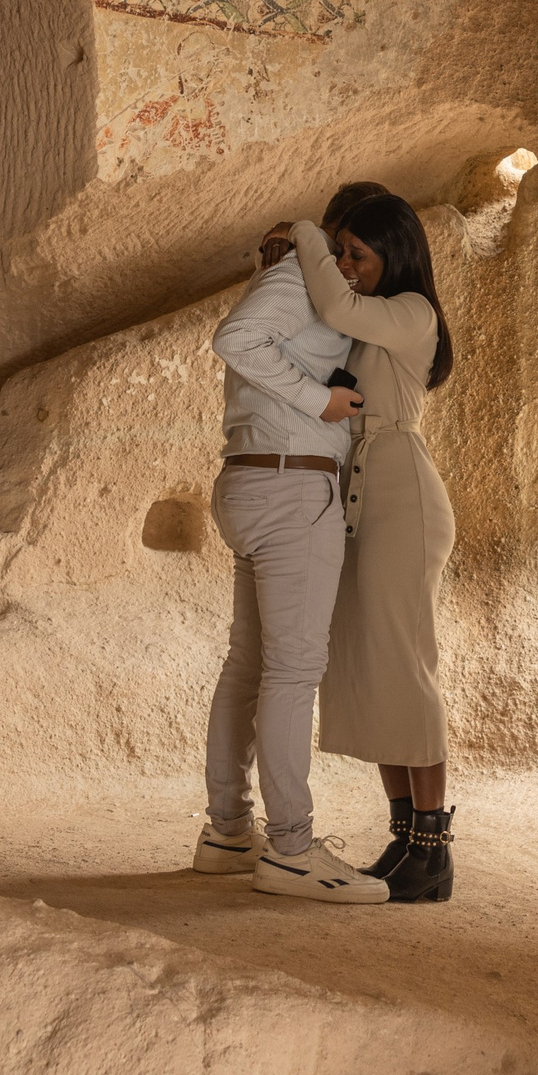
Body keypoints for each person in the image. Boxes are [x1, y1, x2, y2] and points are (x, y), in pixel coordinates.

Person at [194, 180, 390, 904]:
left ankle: (226, 832)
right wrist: (322, 402)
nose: (351, 266)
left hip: (257, 480)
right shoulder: (297, 275)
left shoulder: (297, 276)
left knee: (249, 664)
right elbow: (233, 339)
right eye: (350, 250)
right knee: (291, 670)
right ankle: (292, 848)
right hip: (288, 484)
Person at [271, 194, 458, 903]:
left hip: (401, 497)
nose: (344, 266)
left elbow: (339, 307)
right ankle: (405, 837)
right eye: (340, 253)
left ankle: (434, 850)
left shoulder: (411, 311)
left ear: (394, 256)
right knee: (372, 666)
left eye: (357, 254)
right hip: (359, 495)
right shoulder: (362, 314)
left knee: (405, 664)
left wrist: (305, 233)